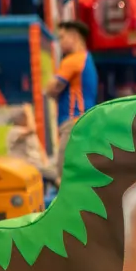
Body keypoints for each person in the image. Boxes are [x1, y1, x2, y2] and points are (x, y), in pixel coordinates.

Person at [44, 19, 97, 170]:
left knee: (63, 171)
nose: (59, 43)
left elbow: (50, 87)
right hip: (83, 121)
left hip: (74, 123)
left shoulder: (73, 60)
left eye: (62, 37)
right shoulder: (87, 58)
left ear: (73, 37)